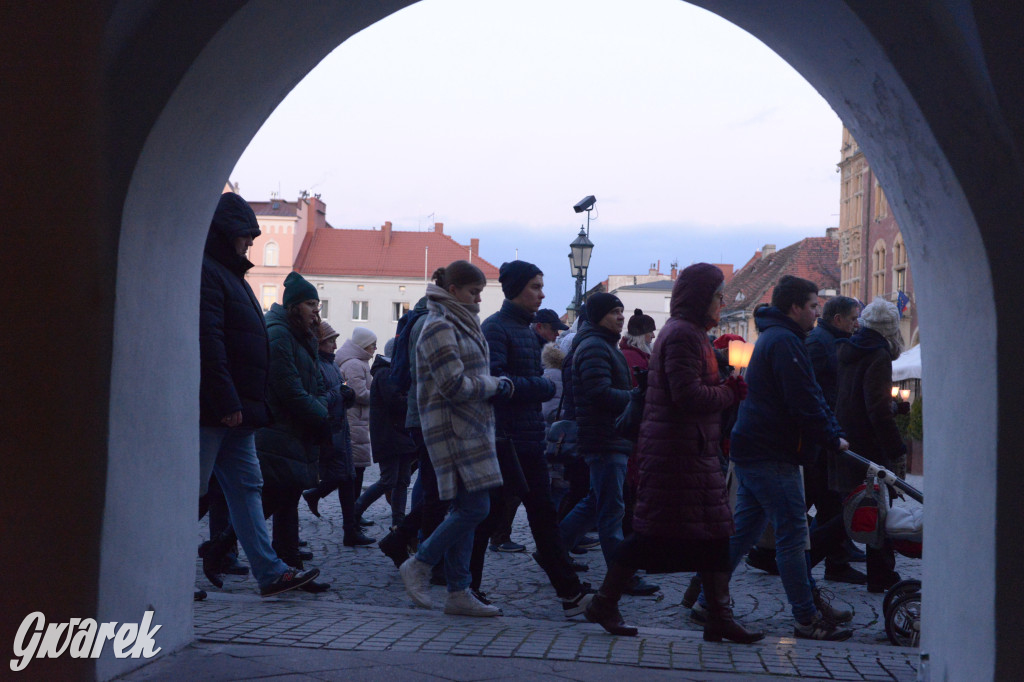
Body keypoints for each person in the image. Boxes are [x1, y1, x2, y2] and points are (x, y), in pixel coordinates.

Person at [584, 263, 762, 642]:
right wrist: (729, 392)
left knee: (715, 534)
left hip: (690, 450)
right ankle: (605, 600)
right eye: (717, 296)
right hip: (677, 454)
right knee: (650, 535)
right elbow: (688, 395)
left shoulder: (690, 333)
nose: (722, 303)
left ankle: (718, 614)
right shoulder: (682, 335)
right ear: (701, 298)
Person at [697, 275, 852, 641]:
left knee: (743, 534)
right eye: (814, 305)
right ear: (794, 307)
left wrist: (830, 431)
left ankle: (708, 603)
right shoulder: (785, 341)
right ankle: (806, 617)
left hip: (757, 448)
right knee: (793, 537)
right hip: (772, 452)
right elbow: (804, 398)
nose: (818, 312)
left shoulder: (779, 337)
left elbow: (809, 394)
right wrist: (832, 437)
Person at [197, 192, 319, 597]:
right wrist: (227, 400)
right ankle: (168, 569)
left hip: (239, 412)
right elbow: (210, 341)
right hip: (219, 410)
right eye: (246, 236)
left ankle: (269, 572)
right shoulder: (211, 274)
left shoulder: (229, 274)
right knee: (192, 494)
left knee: (249, 487)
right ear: (226, 233)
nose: (251, 244)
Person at [398, 261, 512, 617]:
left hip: (471, 426)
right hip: (454, 428)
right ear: (453, 291)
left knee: (468, 509)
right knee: (475, 508)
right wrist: (494, 385)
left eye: (480, 292)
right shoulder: (438, 325)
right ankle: (421, 562)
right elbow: (452, 385)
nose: (478, 299)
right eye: (473, 292)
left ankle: (458, 590)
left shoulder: (459, 319)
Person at [482, 260, 594, 618]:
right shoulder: (496, 328)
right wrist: (543, 386)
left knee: (523, 515)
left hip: (527, 438)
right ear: (515, 288)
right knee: (505, 515)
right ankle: (569, 592)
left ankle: (569, 591)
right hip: (508, 439)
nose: (542, 293)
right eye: (534, 286)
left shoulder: (527, 331)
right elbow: (496, 382)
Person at [559, 293, 658, 595]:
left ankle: (553, 549)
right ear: (598, 315)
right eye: (614, 311)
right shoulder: (593, 346)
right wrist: (636, 397)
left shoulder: (604, 344)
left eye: (621, 311)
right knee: (612, 508)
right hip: (604, 435)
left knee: (595, 502)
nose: (620, 317)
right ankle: (621, 575)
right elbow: (598, 393)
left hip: (610, 434)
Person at [254, 271, 333, 592]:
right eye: (311, 304)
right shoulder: (279, 334)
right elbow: (288, 387)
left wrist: (321, 405)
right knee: (270, 501)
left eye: (317, 304)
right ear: (294, 306)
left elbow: (315, 383)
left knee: (286, 500)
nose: (317, 311)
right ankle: (219, 549)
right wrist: (322, 415)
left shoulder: (301, 334)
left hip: (294, 430)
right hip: (277, 430)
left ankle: (291, 570)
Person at [834, 298, 907, 593]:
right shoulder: (878, 355)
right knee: (873, 509)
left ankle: (880, 573)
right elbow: (876, 408)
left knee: (854, 510)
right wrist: (896, 449)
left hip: (846, 440)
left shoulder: (847, 350)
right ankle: (881, 575)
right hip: (868, 448)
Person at [805, 296, 867, 585]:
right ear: (837, 319)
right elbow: (816, 392)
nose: (857, 324)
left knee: (832, 506)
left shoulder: (830, 341)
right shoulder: (820, 344)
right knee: (829, 506)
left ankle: (835, 563)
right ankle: (806, 562)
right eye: (854, 318)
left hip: (825, 437)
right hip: (819, 441)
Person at [302, 321, 374, 547]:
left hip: (342, 428)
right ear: (319, 343)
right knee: (342, 477)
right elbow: (321, 397)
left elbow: (345, 393)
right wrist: (343, 394)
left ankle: (350, 529)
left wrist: (347, 394)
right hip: (331, 430)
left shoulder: (331, 364)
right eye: (330, 341)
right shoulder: (318, 366)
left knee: (348, 478)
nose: (335, 345)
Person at [357, 338, 418, 529]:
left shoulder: (395, 372)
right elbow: (396, 402)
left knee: (402, 481)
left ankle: (398, 524)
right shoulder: (385, 373)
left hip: (401, 435)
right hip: (389, 435)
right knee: (388, 480)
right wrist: (416, 398)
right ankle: (354, 512)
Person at [335, 327, 377, 526]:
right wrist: (378, 395)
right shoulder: (354, 364)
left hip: (358, 421)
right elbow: (358, 393)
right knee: (354, 472)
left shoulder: (359, 363)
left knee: (356, 471)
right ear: (363, 345)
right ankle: (353, 515)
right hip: (354, 421)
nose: (375, 348)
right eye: (372, 344)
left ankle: (355, 514)